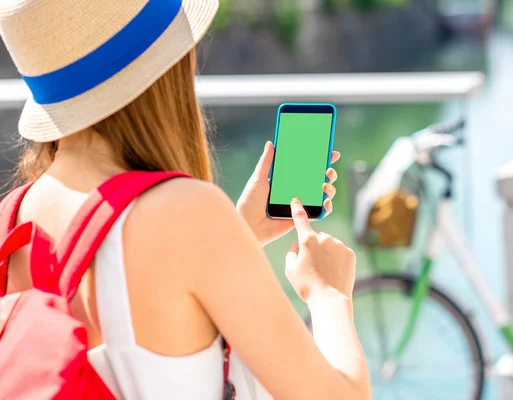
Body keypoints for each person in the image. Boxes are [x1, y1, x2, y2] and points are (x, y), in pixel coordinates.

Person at [0, 0, 371, 399]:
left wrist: (238, 235)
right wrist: (328, 294)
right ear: (166, 70)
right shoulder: (189, 215)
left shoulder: (13, 217)